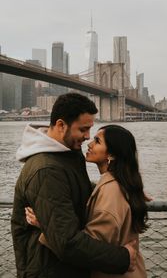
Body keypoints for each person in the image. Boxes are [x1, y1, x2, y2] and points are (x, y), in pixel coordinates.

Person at [11, 93, 137, 278]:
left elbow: (77, 188)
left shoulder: (68, 152)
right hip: (48, 270)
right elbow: (68, 244)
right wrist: (123, 258)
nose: (87, 137)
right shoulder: (46, 171)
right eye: (83, 130)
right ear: (61, 125)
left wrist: (122, 186)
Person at [26, 124, 148, 278]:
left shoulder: (111, 191)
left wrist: (46, 225)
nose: (89, 143)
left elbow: (88, 247)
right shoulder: (118, 183)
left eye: (97, 141)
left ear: (111, 154)